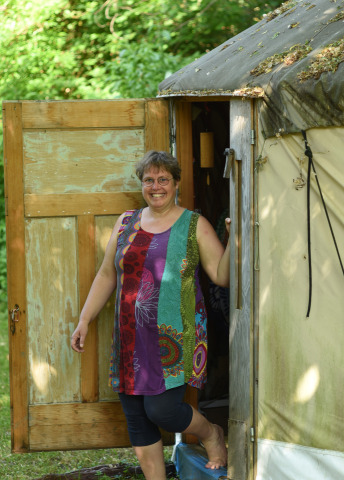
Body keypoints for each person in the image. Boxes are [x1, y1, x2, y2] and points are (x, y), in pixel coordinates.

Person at [71, 150, 230, 480]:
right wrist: (85, 319)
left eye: (163, 180)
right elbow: (107, 274)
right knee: (137, 416)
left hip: (174, 337)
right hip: (131, 335)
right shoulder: (126, 222)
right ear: (141, 184)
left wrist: (235, 237)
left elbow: (221, 275)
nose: (156, 187)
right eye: (149, 180)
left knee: (162, 410)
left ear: (176, 183)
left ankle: (211, 432)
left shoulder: (193, 225)